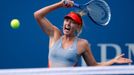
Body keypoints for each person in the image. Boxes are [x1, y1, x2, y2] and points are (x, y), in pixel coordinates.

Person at [34, 0, 132, 68]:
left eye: (72, 22)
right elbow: (37, 15)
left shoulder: (82, 44)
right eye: (66, 20)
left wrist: (113, 61)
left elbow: (94, 66)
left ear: (78, 27)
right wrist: (60, 4)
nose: (67, 23)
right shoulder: (55, 34)